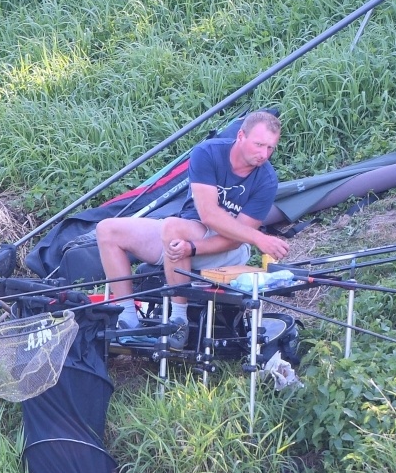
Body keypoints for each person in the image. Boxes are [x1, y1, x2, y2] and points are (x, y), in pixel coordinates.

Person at [96, 111, 290, 339]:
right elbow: (208, 214)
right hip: (192, 228)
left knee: (174, 229)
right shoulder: (207, 153)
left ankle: (179, 321)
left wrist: (193, 248)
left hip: (231, 248)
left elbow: (237, 239)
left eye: (270, 148)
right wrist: (260, 238)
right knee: (107, 230)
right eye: (258, 145)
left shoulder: (266, 180)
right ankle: (127, 318)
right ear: (240, 136)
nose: (263, 154)